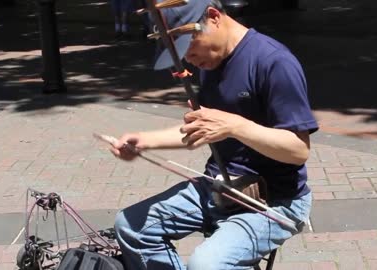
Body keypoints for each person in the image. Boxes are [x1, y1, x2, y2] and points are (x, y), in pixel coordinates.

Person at [110, 0, 318, 269]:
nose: (188, 59)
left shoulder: (273, 62)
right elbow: (205, 128)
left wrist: (236, 126)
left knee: (206, 264)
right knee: (132, 227)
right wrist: (145, 141)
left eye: (189, 46)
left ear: (213, 16)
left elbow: (298, 151)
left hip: (274, 201)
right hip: (219, 188)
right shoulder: (212, 61)